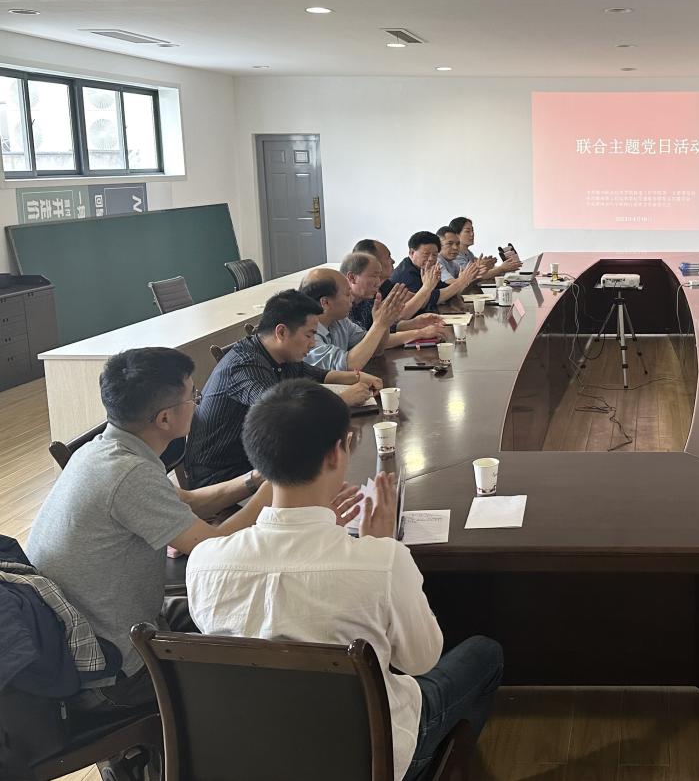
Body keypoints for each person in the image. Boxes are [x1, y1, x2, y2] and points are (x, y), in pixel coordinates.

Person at [187, 380, 504, 781]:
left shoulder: (205, 562)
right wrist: (381, 547)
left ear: (258, 457)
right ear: (337, 453)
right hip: (370, 757)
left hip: (256, 755)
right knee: (485, 653)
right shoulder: (381, 561)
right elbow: (420, 661)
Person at [26, 347, 269, 711]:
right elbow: (214, 545)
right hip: (117, 669)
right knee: (256, 660)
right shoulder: (129, 474)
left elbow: (186, 502)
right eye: (193, 395)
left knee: (240, 612)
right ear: (165, 419)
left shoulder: (107, 449)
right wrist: (273, 491)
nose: (198, 402)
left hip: (97, 633)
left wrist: (255, 480)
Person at [184, 290, 380, 489]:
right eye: (309, 335)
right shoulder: (244, 365)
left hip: (260, 461)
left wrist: (357, 377)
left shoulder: (277, 353)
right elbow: (279, 416)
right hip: (224, 479)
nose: (313, 343)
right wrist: (342, 399)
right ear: (281, 332)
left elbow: (314, 373)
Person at [300, 267, 412, 372]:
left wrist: (385, 322)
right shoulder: (305, 333)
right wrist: (379, 324)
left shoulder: (340, 321)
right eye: (347, 294)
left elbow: (376, 349)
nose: (352, 298)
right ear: (325, 302)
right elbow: (350, 365)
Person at [390, 230, 481, 313]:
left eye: (434, 255)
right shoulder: (406, 274)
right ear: (411, 253)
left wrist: (464, 282)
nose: (431, 259)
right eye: (426, 254)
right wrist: (461, 282)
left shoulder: (425, 269)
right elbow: (428, 299)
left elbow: (444, 289)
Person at [449, 215, 521, 279]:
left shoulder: (468, 253)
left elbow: (482, 271)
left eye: (472, 230)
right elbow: (476, 276)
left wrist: (504, 267)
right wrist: (501, 269)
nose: (472, 234)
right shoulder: (455, 256)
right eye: (467, 231)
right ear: (456, 234)